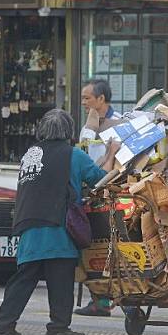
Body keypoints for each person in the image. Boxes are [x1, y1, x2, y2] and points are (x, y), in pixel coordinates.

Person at [0, 109, 119, 335]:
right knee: (60, 278)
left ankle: (4, 326)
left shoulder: (30, 154)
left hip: (28, 224)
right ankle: (58, 327)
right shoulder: (72, 155)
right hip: (57, 225)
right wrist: (112, 152)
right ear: (68, 131)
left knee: (23, 279)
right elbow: (100, 179)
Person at [74, 79, 122, 317]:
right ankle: (99, 301)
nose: (83, 103)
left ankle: (115, 297)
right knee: (92, 249)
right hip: (89, 193)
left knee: (109, 248)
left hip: (112, 195)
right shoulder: (89, 126)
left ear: (101, 99)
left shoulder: (120, 123)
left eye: (87, 98)